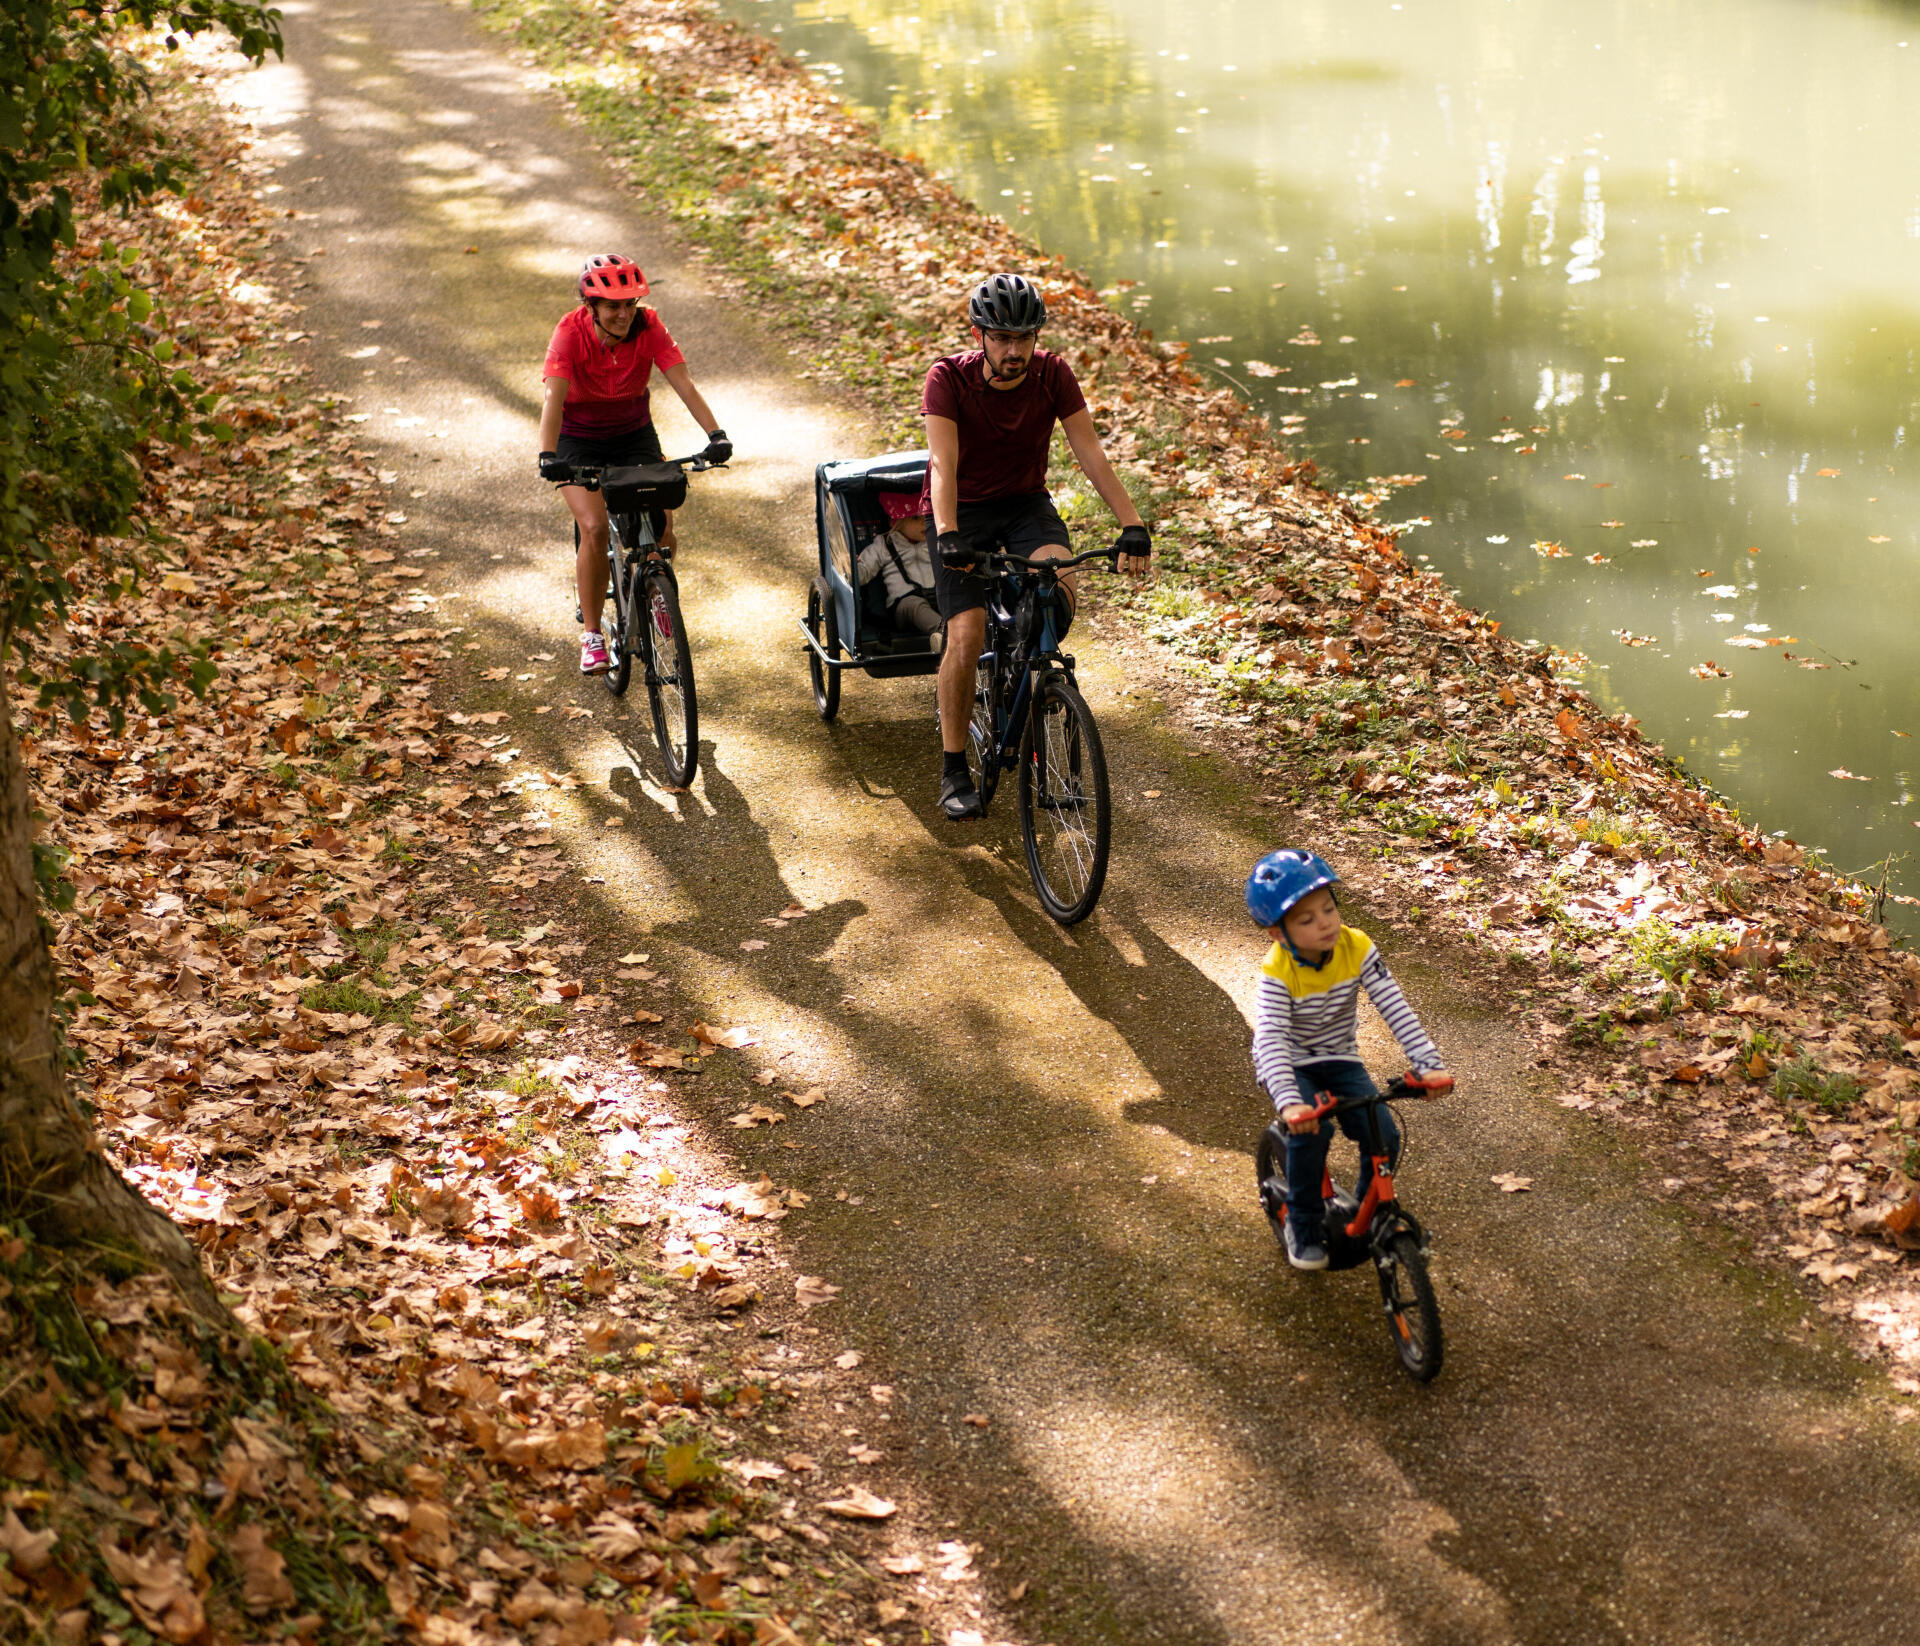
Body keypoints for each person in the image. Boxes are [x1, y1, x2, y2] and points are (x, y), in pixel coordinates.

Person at [922, 272, 1151, 820]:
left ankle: (1025, 673)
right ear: (980, 336)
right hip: (963, 511)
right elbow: (942, 464)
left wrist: (1133, 523)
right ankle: (955, 767)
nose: (1014, 350)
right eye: (1002, 338)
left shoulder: (1053, 375)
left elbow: (1090, 452)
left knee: (1058, 592)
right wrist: (949, 533)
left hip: (1025, 504)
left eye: (1024, 338)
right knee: (967, 631)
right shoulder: (947, 380)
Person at [1246, 848, 1452, 1272]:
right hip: (1289, 1063)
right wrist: (1289, 1101)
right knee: (1312, 1136)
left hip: (1339, 1057)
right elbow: (1271, 1040)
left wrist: (1428, 1064)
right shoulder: (1278, 972)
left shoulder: (1356, 947)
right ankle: (1302, 1227)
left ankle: (1365, 1209)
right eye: (1307, 919)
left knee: (1384, 1133)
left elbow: (1395, 1007)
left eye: (1328, 908)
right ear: (1278, 934)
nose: (1325, 922)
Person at [537, 254, 732, 675]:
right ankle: (592, 634)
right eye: (612, 306)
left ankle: (655, 593)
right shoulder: (569, 333)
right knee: (592, 526)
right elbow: (554, 398)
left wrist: (716, 434)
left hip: (633, 433)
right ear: (591, 307)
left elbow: (684, 384)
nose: (624, 314)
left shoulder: (650, 326)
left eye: (630, 304)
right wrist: (548, 455)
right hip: (578, 439)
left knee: (661, 526)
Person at [855, 492, 941, 640]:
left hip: (938, 595)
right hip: (903, 605)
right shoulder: (884, 544)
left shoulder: (935, 540)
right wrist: (853, 567)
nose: (924, 523)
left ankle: (976, 630)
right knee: (915, 606)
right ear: (895, 522)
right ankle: (945, 634)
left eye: (926, 516)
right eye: (915, 518)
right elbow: (863, 574)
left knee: (958, 597)